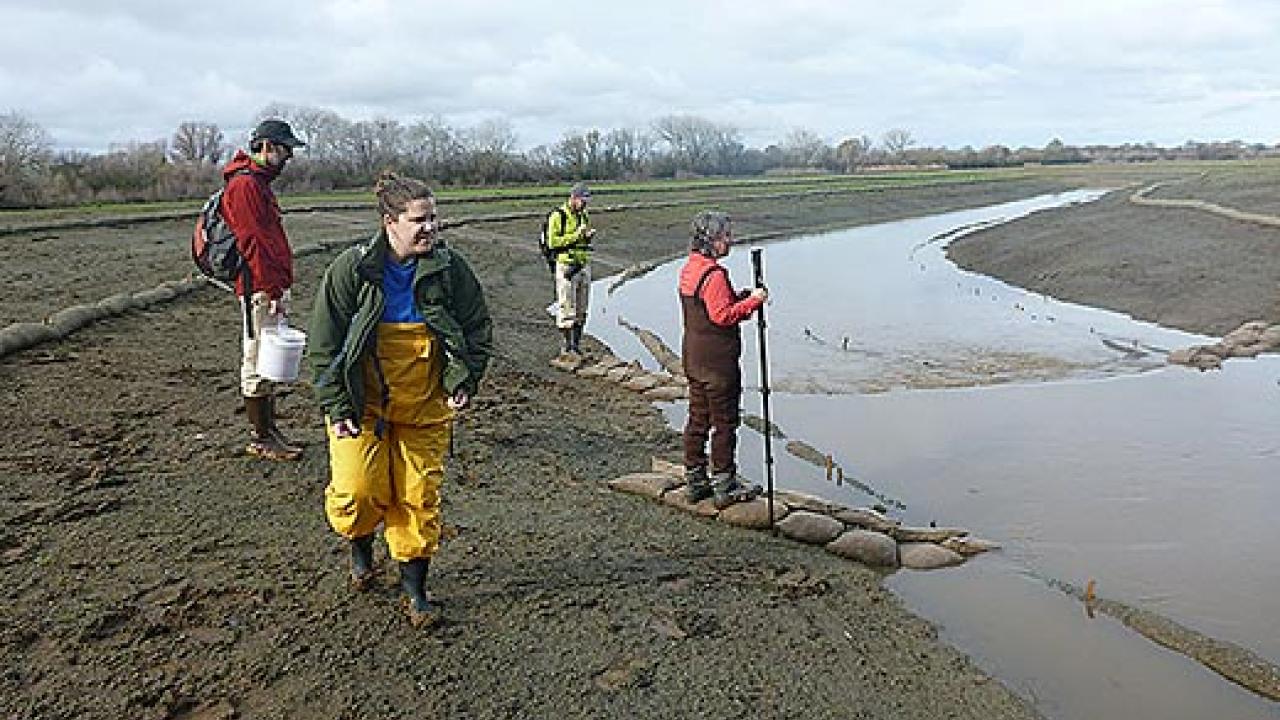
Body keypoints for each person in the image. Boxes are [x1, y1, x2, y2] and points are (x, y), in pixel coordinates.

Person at [308, 171, 493, 627]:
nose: (431, 228)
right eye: (420, 220)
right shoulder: (352, 271)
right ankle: (360, 547)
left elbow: (478, 331)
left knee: (418, 500)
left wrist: (465, 380)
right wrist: (336, 407)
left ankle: (416, 594)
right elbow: (324, 346)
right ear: (390, 222)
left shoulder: (451, 271)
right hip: (363, 408)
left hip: (427, 407)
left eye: (434, 218)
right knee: (357, 493)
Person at [221, 118, 307, 461]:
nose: (289, 158)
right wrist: (272, 291)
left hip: (266, 285)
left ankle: (269, 431)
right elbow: (254, 243)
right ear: (267, 147)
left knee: (266, 357)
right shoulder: (245, 187)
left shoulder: (257, 183)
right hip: (258, 287)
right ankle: (261, 436)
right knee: (257, 357)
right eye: (286, 150)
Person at [679, 211, 768, 509]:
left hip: (694, 358)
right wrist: (754, 302)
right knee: (725, 422)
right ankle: (724, 484)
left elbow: (712, 305)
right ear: (711, 240)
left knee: (698, 418)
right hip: (717, 364)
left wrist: (743, 296)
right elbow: (722, 315)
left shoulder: (691, 268)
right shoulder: (715, 274)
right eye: (725, 236)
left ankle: (695, 480)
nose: (729, 241)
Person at [545, 182, 596, 356]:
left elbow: (582, 238)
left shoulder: (584, 215)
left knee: (582, 308)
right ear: (573, 198)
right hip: (566, 264)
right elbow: (553, 242)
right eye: (583, 200)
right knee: (567, 307)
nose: (585, 204)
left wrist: (587, 237)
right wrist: (577, 235)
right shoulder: (558, 216)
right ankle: (567, 347)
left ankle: (576, 345)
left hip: (582, 264)